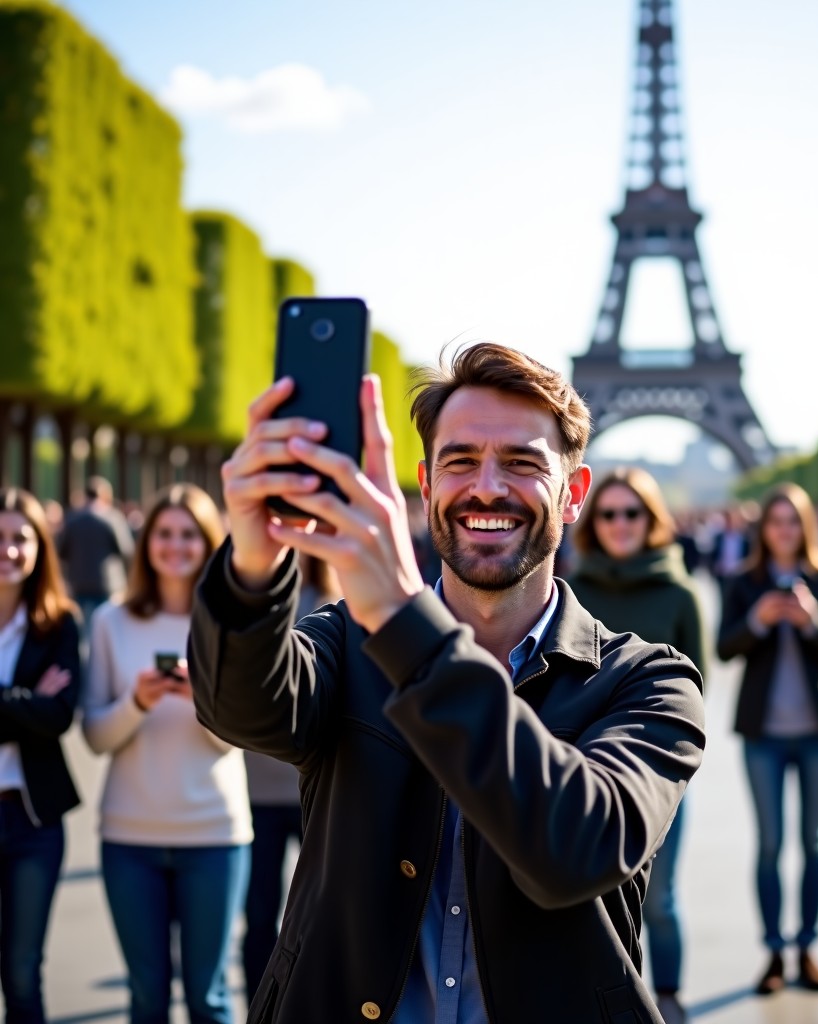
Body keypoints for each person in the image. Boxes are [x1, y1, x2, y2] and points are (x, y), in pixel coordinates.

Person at [187, 343, 706, 1023]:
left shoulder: (648, 682)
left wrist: (408, 625)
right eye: (461, 461)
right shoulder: (348, 641)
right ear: (427, 484)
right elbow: (242, 713)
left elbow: (575, 850)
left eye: (521, 463)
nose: (487, 487)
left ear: (573, 494)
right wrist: (254, 565)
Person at [81, 483, 251, 1024]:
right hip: (129, 839)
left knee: (210, 999)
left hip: (214, 836)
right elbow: (95, 736)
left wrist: (201, 702)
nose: (175, 546)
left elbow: (239, 739)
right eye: (163, 534)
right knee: (147, 998)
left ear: (208, 543)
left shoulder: (235, 623)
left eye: (188, 535)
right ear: (146, 541)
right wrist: (136, 701)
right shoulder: (111, 621)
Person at [569, 467, 707, 1024]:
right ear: (590, 518)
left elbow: (696, 692)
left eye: (633, 513)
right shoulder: (570, 589)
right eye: (609, 513)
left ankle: (667, 997)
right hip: (576, 771)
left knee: (661, 900)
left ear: (652, 521)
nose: (620, 524)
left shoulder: (679, 591)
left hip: (653, 770)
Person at [716, 482, 818, 996]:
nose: (784, 530)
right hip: (763, 734)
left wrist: (810, 619)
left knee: (814, 844)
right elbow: (725, 647)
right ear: (764, 529)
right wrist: (759, 619)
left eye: (792, 521)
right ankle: (774, 950)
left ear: (805, 527)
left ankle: (808, 946)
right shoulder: (742, 581)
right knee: (770, 845)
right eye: (776, 521)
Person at [241, 550, 342, 1004]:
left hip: (319, 790)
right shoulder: (252, 598)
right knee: (260, 912)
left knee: (325, 916)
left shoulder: (334, 601)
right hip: (257, 789)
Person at [0, 488, 81, 1024]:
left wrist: (21, 706)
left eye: (20, 538)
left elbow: (60, 716)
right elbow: (42, 710)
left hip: (32, 823)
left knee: (23, 973)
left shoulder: (60, 624)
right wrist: (27, 700)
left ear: (38, 549)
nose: (8, 550)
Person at [56, 475, 134, 631]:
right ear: (105, 495)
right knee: (107, 631)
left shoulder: (72, 519)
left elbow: (61, 551)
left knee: (82, 631)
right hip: (107, 585)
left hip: (78, 583)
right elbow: (126, 550)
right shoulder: (112, 518)